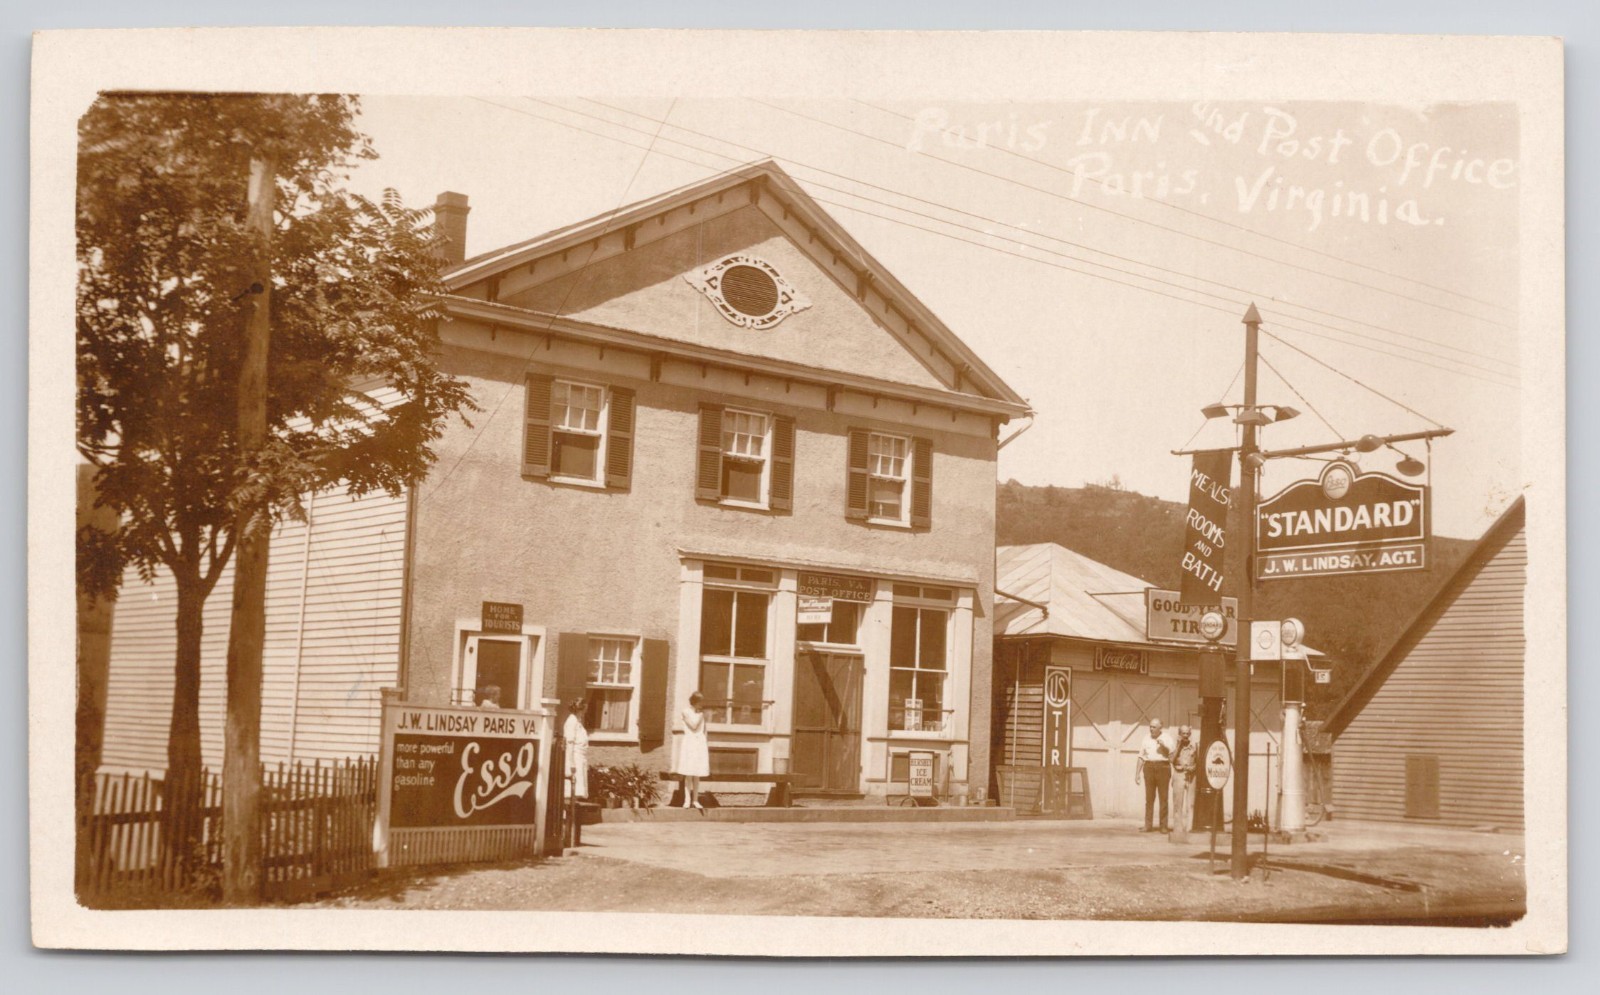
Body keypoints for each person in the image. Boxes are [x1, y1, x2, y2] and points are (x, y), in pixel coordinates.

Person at [1134, 717, 1175, 833]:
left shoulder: (1167, 738)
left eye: (1154, 727)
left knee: (1163, 798)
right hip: (1149, 767)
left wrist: (1164, 746)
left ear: (1160, 728)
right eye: (1150, 726)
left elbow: (1172, 756)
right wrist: (1137, 774)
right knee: (1149, 798)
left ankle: (1163, 826)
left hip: (1163, 767)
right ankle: (1148, 825)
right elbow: (1141, 756)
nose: (1151, 729)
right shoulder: (1146, 738)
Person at [674, 691, 711, 809]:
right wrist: (701, 716)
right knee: (689, 773)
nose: (702, 705)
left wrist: (705, 743)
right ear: (694, 702)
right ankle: (687, 800)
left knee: (697, 773)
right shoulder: (686, 712)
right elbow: (693, 726)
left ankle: (695, 800)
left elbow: (704, 730)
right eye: (700, 703)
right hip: (690, 742)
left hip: (699, 743)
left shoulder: (701, 714)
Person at [1170, 724, 1199, 839]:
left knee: (1191, 803)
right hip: (1179, 774)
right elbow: (1171, 760)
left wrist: (1195, 767)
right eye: (1183, 733)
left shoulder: (1194, 746)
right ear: (1179, 734)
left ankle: (1189, 828)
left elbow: (1198, 761)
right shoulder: (1174, 745)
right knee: (1178, 803)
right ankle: (1178, 829)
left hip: (1191, 775)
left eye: (1187, 733)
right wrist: (1178, 745)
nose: (1185, 736)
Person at [562, 697, 589, 800]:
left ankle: (574, 810)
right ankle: (569, 813)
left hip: (580, 758)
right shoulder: (571, 721)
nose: (584, 713)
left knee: (578, 790)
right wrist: (571, 762)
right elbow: (570, 744)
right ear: (579, 709)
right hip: (575, 757)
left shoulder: (578, 722)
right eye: (583, 710)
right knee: (572, 789)